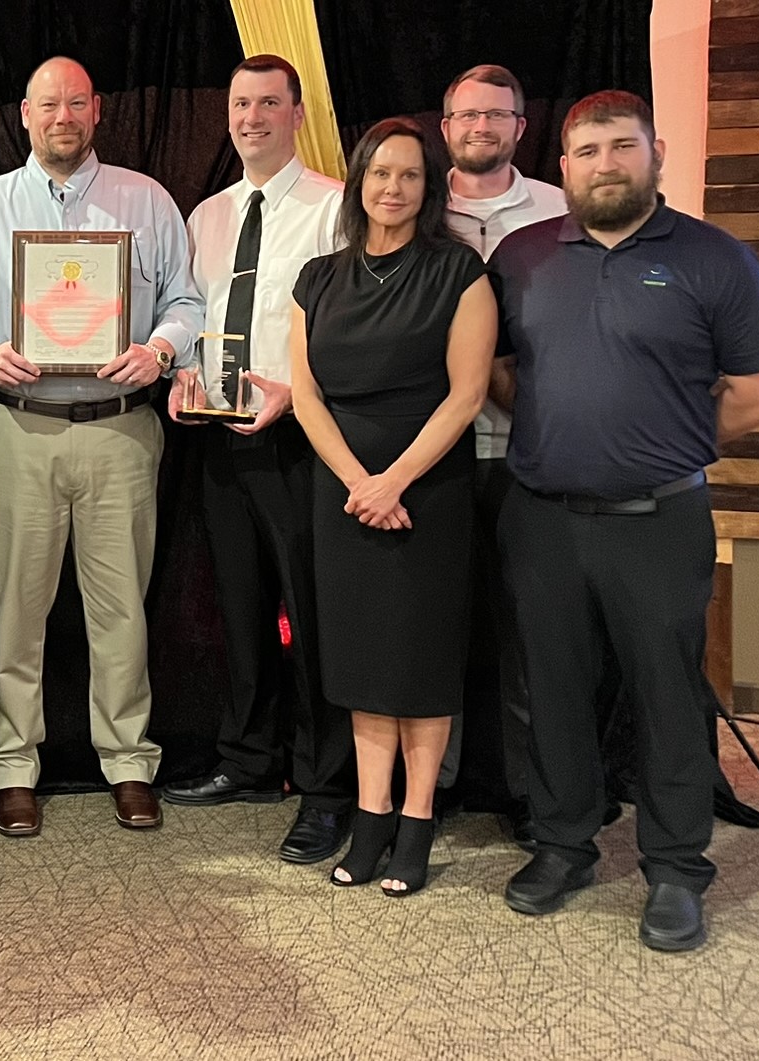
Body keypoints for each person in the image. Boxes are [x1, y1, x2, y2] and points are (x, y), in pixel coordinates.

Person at [492, 91, 759, 951]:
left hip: (660, 518)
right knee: (551, 694)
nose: (605, 165)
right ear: (564, 166)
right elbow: (501, 369)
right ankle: (562, 845)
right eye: (586, 152)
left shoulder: (714, 258)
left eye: (621, 148)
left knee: (666, 697)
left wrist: (668, 443)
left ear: (654, 153)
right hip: (542, 516)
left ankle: (675, 868)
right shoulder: (522, 255)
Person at [0, 56, 205, 835]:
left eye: (77, 102)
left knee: (122, 609)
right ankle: (13, 762)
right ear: (24, 113)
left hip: (121, 429)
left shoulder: (146, 200)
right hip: (18, 427)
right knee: (15, 610)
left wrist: (158, 350)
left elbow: (186, 301)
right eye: (48, 103)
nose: (63, 115)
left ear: (97, 113)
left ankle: (127, 759)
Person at [289, 117, 495, 896]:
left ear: (428, 186)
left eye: (409, 176)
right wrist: (356, 482)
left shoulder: (459, 271)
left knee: (421, 659)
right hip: (343, 490)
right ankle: (370, 814)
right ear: (358, 182)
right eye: (380, 174)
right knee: (364, 658)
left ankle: (416, 819)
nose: (393, 189)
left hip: (427, 488)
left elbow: (468, 393)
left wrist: (394, 480)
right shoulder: (317, 277)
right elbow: (306, 396)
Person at [161, 54, 357, 866]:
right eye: (241, 103)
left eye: (269, 103)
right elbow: (188, 316)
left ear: (298, 113)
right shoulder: (205, 214)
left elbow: (350, 326)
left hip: (300, 440)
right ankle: (248, 760)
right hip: (218, 437)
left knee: (309, 618)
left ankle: (324, 788)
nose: (251, 118)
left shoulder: (335, 209)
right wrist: (180, 374)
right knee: (237, 608)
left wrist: (295, 391)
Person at [435, 65, 568, 823]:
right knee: (437, 624)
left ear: (521, 125)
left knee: (532, 634)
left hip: (532, 458)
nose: (480, 127)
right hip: (438, 456)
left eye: (497, 115)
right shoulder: (413, 208)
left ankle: (530, 791)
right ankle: (439, 780)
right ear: (446, 126)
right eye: (466, 115)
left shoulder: (560, 208)